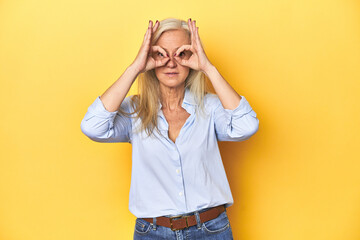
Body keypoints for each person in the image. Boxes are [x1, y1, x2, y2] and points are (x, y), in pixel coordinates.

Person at [80, 17, 259, 239]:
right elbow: (92, 127)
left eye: (181, 53)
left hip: (210, 230)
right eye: (161, 54)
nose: (171, 63)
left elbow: (247, 126)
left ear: (193, 56)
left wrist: (208, 68)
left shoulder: (210, 107)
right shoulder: (135, 111)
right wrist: (135, 67)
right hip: (152, 233)